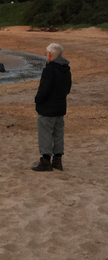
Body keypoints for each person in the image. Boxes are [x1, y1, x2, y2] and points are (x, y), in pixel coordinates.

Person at [32, 43, 72, 172]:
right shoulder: (66, 69)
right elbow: (67, 88)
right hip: (60, 107)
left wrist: (38, 100)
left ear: (50, 54)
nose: (46, 55)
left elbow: (44, 89)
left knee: (45, 134)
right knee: (58, 134)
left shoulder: (50, 69)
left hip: (48, 108)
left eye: (47, 53)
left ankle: (45, 161)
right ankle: (57, 160)